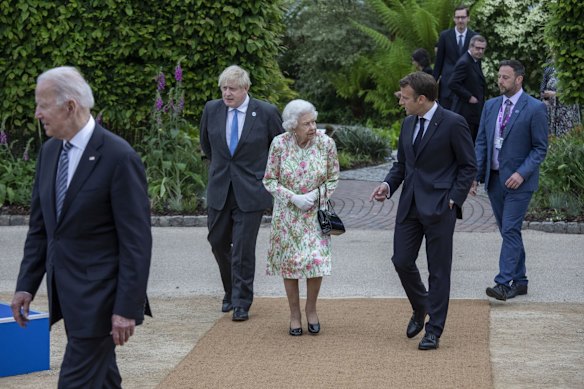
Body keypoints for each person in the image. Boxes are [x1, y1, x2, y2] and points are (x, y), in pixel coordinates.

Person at [10, 66, 152, 388]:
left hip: (101, 300)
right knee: (102, 379)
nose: (37, 114)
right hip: (67, 294)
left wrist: (126, 308)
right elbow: (41, 229)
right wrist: (25, 285)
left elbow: (136, 242)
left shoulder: (118, 157)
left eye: (42, 105)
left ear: (70, 106)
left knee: (75, 380)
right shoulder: (49, 153)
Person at [370, 72, 476, 350]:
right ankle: (421, 305)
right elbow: (402, 165)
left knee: (439, 272)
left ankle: (434, 330)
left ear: (422, 99)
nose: (401, 102)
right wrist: (387, 186)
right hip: (410, 205)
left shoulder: (454, 123)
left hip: (442, 207)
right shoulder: (407, 123)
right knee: (401, 260)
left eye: (405, 98)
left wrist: (454, 199)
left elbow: (468, 166)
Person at [200, 65, 284, 321]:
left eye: (232, 89)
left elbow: (279, 148)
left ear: (245, 89)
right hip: (220, 188)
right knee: (217, 243)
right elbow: (207, 145)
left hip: (251, 191)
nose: (227, 93)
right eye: (224, 88)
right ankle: (230, 290)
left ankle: (241, 301)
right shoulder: (212, 109)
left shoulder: (266, 112)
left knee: (243, 249)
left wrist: (267, 179)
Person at [471, 60, 548, 301]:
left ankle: (503, 283)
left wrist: (521, 173)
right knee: (508, 232)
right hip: (494, 181)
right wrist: (474, 176)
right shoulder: (491, 106)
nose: (500, 81)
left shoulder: (535, 108)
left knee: (511, 229)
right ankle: (521, 281)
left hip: (519, 183)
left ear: (519, 79)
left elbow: (539, 148)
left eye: (505, 77)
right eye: (499, 76)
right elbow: (481, 142)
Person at [263, 100, 339, 336]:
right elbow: (269, 180)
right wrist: (293, 197)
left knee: (315, 261)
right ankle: (294, 314)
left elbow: (333, 178)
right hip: (288, 214)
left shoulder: (326, 143)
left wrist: (314, 196)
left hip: (316, 213)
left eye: (314, 121)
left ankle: (311, 310)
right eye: (307, 123)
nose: (313, 127)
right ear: (292, 125)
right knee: (291, 264)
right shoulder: (279, 144)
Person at [433, 5, 477, 110]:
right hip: (447, 86)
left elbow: (476, 64)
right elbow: (438, 62)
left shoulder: (474, 37)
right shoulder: (444, 36)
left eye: (463, 17)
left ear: (468, 18)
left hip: (466, 86)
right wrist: (432, 84)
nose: (460, 20)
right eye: (457, 17)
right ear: (454, 18)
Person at [449, 35, 488, 142]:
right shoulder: (464, 62)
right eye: (477, 48)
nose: (480, 51)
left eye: (482, 49)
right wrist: (469, 97)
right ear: (470, 47)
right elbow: (452, 83)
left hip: (473, 111)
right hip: (465, 111)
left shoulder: (476, 60)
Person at [540, 63, 581, 137]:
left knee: (568, 136)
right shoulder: (549, 68)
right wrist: (545, 98)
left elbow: (575, 92)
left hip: (568, 111)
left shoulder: (572, 68)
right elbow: (542, 91)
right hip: (552, 111)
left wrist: (555, 94)